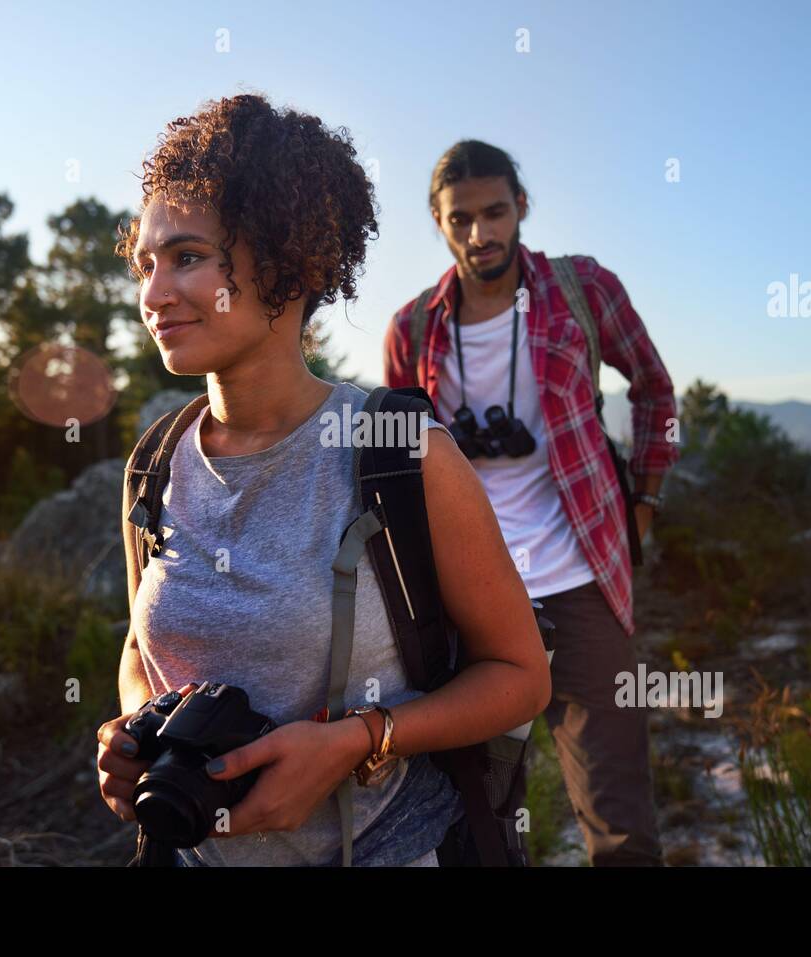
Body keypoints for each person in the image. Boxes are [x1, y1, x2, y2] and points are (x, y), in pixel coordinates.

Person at [96, 97, 551, 867]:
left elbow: (519, 677)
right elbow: (143, 648)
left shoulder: (400, 453)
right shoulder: (156, 461)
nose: (153, 293)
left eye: (187, 257)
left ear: (286, 262)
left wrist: (360, 739)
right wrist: (136, 727)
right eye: (145, 263)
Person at [384, 140, 679, 866]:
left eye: (495, 212)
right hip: (468, 596)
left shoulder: (583, 289)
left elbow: (654, 389)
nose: (481, 233)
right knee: (475, 820)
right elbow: (392, 457)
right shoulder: (414, 327)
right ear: (437, 220)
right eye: (462, 219)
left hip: (578, 581)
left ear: (522, 208)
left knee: (620, 821)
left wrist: (642, 503)